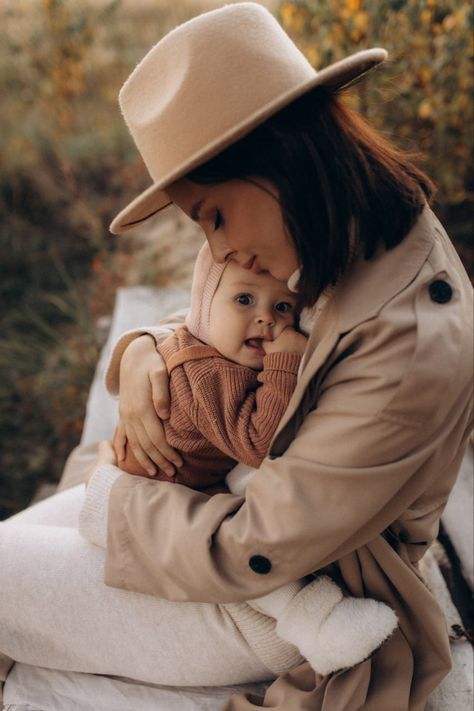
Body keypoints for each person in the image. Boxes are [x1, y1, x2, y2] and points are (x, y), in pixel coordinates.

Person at [0, 4, 472, 710]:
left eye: (213, 216)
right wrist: (141, 353)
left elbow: (260, 545)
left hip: (283, 599)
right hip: (195, 507)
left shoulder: (409, 340)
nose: (216, 251)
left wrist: (119, 497)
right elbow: (209, 324)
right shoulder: (328, 230)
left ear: (279, 158)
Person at [114, 241, 398, 675]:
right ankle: (317, 624)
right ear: (204, 306)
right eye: (244, 299)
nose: (267, 317)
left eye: (283, 306)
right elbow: (258, 444)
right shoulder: (208, 372)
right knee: (229, 542)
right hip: (162, 494)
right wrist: (285, 360)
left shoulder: (218, 351)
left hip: (179, 480)